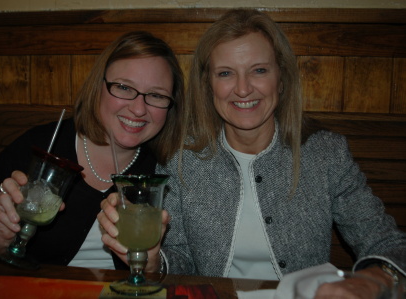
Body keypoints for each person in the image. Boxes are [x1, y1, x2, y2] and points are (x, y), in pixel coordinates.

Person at [99, 9, 406, 297]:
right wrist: (153, 262)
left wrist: (372, 280)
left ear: (281, 78)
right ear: (208, 85)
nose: (243, 89)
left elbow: (388, 243)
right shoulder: (181, 160)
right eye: (225, 74)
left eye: (258, 70)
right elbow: (179, 263)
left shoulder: (326, 153)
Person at [0, 31, 183, 270]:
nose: (138, 109)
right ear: (98, 87)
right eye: (124, 87)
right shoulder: (39, 148)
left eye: (157, 95)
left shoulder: (169, 170)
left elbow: (175, 269)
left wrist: (152, 264)